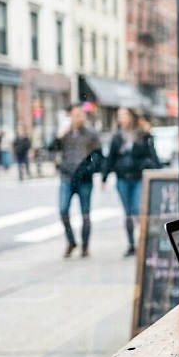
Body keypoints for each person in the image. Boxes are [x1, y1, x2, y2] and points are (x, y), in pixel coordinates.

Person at [102, 107, 160, 257]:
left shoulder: (142, 135)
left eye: (124, 115)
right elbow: (110, 159)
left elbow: (153, 156)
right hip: (122, 178)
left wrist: (158, 172)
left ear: (131, 116)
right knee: (127, 213)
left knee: (137, 210)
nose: (122, 118)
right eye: (119, 115)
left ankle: (143, 242)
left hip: (138, 178)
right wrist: (104, 177)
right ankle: (130, 244)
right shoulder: (117, 137)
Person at [49, 104, 102, 258]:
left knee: (85, 214)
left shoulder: (91, 133)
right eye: (75, 114)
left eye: (81, 114)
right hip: (67, 177)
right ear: (70, 116)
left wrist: (90, 168)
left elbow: (98, 155)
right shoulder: (64, 133)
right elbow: (51, 148)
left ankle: (85, 245)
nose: (78, 117)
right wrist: (59, 135)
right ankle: (71, 241)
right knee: (63, 210)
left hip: (85, 179)